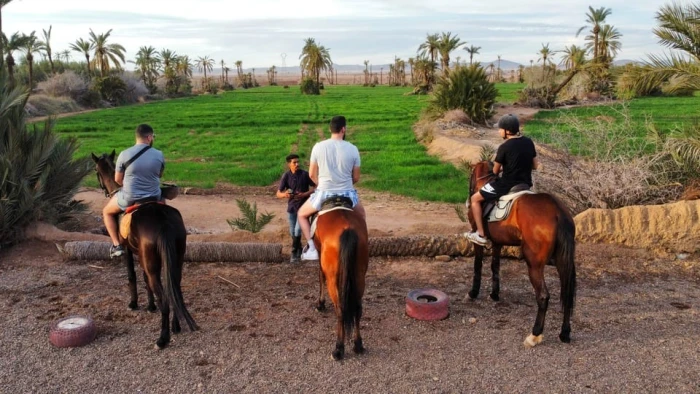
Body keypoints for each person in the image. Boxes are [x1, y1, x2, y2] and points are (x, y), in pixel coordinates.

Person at [298, 115, 366, 261]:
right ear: (343, 129)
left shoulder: (318, 147)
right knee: (361, 216)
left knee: (301, 215)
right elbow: (356, 178)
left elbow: (311, 174)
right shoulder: (353, 149)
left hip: (324, 193)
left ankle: (311, 248)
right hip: (348, 194)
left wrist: (320, 184)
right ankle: (363, 245)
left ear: (330, 129)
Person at [465, 114, 539, 246]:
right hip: (525, 184)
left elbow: (494, 171)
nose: (499, 131)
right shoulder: (529, 142)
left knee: (475, 199)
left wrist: (504, 169)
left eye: (500, 129)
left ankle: (480, 234)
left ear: (507, 131)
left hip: (506, 185)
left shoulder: (504, 147)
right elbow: (535, 165)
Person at [103, 124, 165, 258]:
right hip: (154, 196)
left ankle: (116, 245)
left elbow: (118, 180)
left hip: (131, 197)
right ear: (149, 137)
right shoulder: (159, 154)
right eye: (153, 137)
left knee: (106, 212)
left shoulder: (124, 154)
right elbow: (159, 175)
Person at [276, 153, 315, 263]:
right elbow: (278, 193)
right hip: (292, 207)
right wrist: (286, 195)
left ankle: (294, 253)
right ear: (289, 164)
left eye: (298, 162)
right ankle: (298, 249)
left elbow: (316, 187)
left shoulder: (305, 174)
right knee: (292, 231)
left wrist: (305, 194)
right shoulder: (286, 176)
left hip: (304, 207)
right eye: (294, 162)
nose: (297, 164)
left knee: (298, 229)